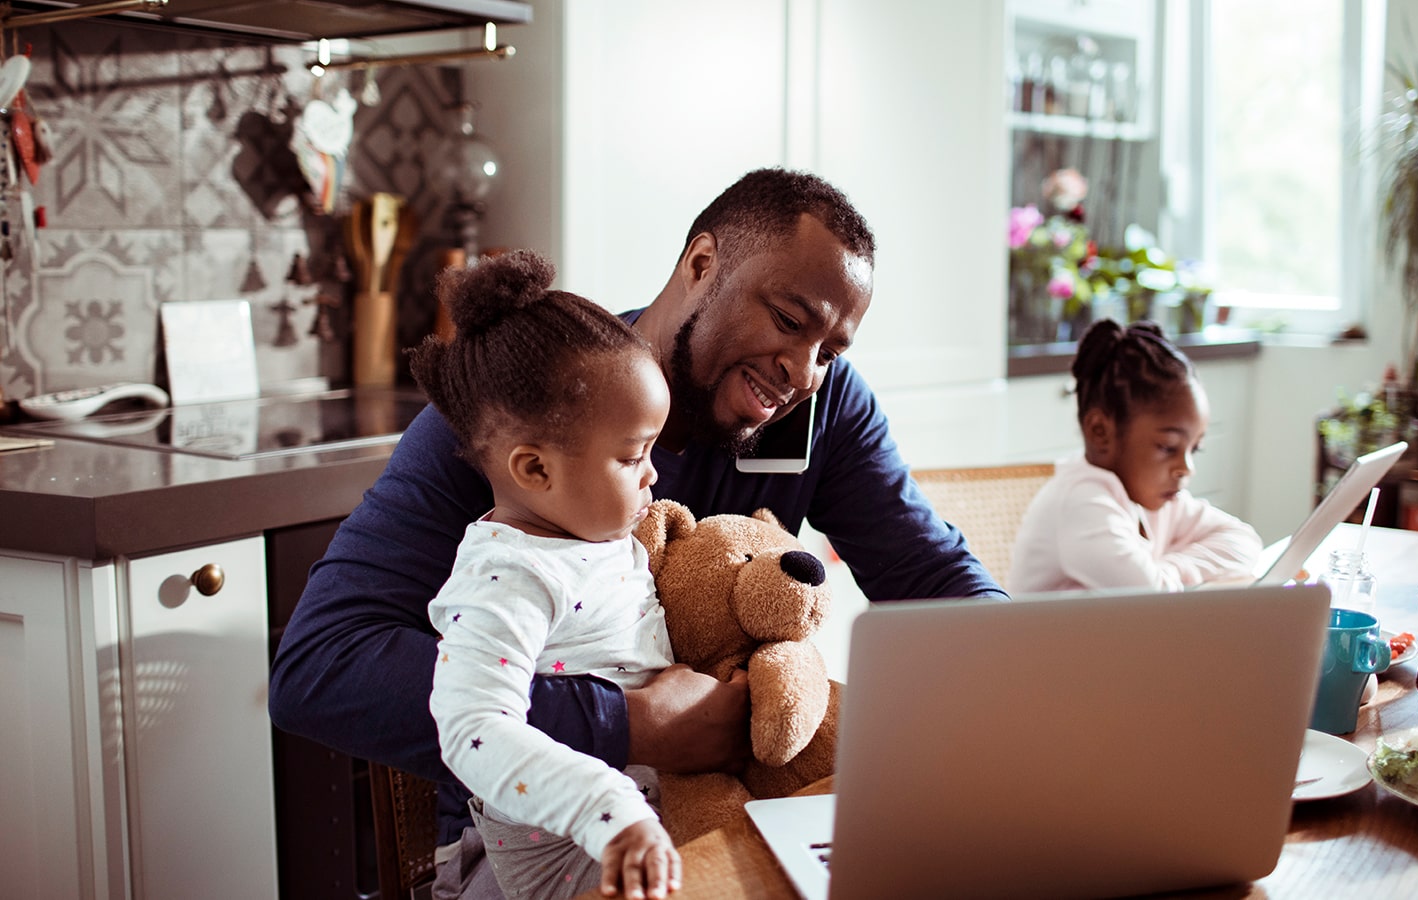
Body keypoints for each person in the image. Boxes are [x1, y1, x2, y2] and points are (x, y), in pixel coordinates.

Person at [268, 167, 1003, 899]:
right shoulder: (526, 414)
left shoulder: (824, 409)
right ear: (702, 264)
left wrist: (1043, 676)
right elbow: (320, 669)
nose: (804, 372)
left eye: (831, 350)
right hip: (550, 853)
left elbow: (932, 579)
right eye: (787, 318)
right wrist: (625, 723)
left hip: (719, 821)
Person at [414, 251, 680, 899]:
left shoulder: (597, 537)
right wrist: (607, 811)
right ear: (535, 471)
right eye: (632, 456)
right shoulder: (506, 575)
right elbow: (474, 727)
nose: (653, 475)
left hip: (644, 829)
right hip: (560, 860)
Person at [1008, 319, 1262, 593]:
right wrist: (1168, 575)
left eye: (1194, 449)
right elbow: (1152, 596)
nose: (1186, 468)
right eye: (1168, 447)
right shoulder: (1081, 502)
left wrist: (1171, 569)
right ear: (1100, 431)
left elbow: (1244, 541)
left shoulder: (1155, 499)